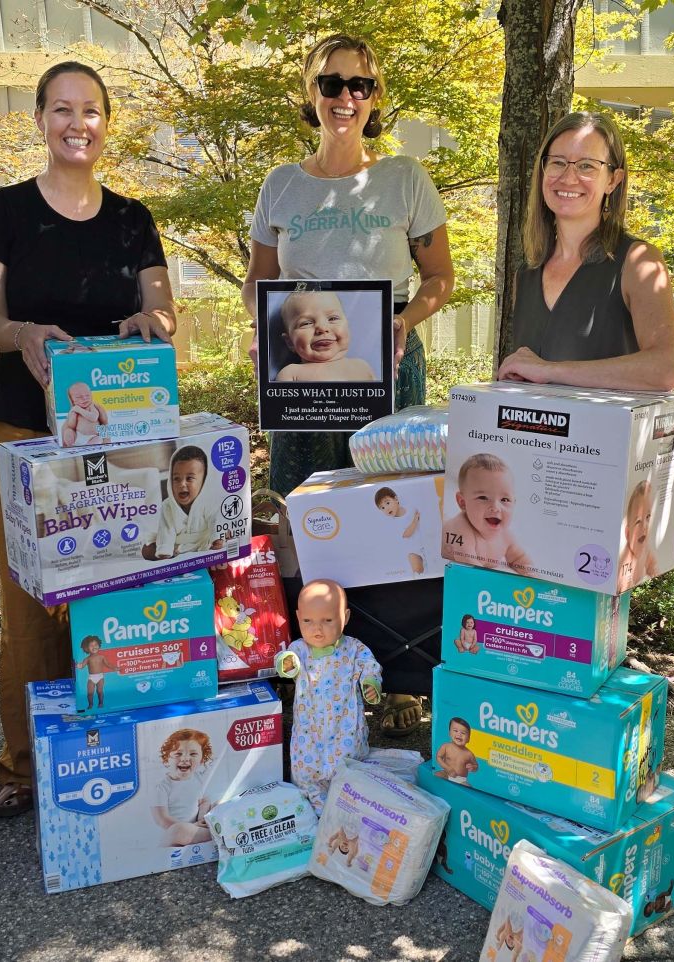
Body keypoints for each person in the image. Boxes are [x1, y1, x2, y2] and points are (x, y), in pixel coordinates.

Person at [0, 61, 177, 818]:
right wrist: (22, 333)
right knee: (31, 594)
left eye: (90, 110)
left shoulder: (132, 217)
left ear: (107, 123)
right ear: (40, 119)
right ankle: (22, 764)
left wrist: (150, 325)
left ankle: (114, 739)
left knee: (118, 580)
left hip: (122, 434)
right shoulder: (5, 211)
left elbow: (162, 311)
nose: (76, 123)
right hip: (27, 427)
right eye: (61, 109)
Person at [245, 33, 454, 736]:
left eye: (359, 85)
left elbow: (440, 279)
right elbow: (260, 284)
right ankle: (311, 668)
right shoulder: (281, 183)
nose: (344, 97)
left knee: (390, 517)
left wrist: (402, 319)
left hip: (387, 370)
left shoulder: (403, 179)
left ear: (376, 98)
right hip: (302, 378)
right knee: (303, 518)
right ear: (310, 95)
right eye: (330, 84)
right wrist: (260, 334)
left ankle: (399, 679)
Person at [497, 111, 674, 391]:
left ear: (613, 180)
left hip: (606, 435)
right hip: (535, 437)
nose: (569, 178)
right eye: (557, 163)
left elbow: (665, 370)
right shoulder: (526, 274)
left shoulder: (638, 262)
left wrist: (550, 371)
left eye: (586, 166)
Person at [275, 579, 383, 813]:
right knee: (306, 774)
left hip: (344, 728)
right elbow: (286, 662)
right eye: (307, 621)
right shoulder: (300, 649)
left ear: (345, 617)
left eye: (327, 620)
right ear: (298, 616)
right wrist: (287, 663)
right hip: (309, 732)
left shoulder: (354, 649)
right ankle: (313, 812)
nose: (317, 629)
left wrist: (370, 682)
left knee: (348, 771)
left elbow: (370, 666)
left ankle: (345, 807)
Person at [441, 453, 532, 573]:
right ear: (462, 502)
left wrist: (532, 577)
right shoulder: (461, 529)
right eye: (483, 497)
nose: (495, 507)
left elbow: (520, 559)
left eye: (504, 500)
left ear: (514, 503)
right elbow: (469, 565)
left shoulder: (506, 537)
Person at [273, 290, 376, 382]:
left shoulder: (362, 367)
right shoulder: (291, 374)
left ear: (348, 327)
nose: (322, 328)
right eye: (306, 323)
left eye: (332, 319)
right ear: (290, 342)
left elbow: (381, 401)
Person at [145, 445, 224, 560]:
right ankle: (170, 552)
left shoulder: (209, 501)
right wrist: (165, 550)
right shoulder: (168, 505)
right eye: (176, 479)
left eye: (189, 478)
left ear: (204, 481)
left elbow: (216, 520)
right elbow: (166, 529)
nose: (182, 484)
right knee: (147, 550)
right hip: (176, 545)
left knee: (225, 534)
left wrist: (217, 538)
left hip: (204, 540)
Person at [151, 729, 215, 846]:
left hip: (196, 829)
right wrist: (192, 826)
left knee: (218, 804)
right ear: (167, 759)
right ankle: (217, 833)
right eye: (178, 754)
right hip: (175, 835)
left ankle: (212, 830)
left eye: (193, 754)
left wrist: (202, 818)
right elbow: (162, 819)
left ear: (202, 759)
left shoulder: (198, 779)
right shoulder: (162, 786)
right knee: (178, 829)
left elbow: (204, 801)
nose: (185, 758)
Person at [373, 485, 425, 576]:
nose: (386, 509)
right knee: (418, 571)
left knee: (428, 567)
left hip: (423, 544)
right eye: (382, 508)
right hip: (412, 550)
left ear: (396, 499)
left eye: (387, 503)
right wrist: (415, 521)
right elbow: (406, 534)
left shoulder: (410, 508)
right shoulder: (393, 523)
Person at [61, 381, 108, 446]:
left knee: (99, 439)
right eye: (78, 397)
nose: (84, 398)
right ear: (72, 400)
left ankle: (88, 446)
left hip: (93, 436)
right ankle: (71, 445)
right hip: (78, 435)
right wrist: (72, 414)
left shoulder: (91, 406)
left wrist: (80, 410)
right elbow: (71, 425)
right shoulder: (74, 410)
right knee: (68, 431)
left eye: (87, 395)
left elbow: (94, 418)